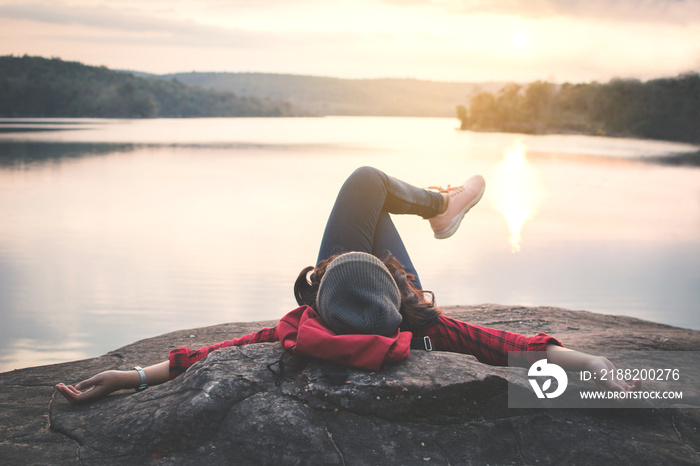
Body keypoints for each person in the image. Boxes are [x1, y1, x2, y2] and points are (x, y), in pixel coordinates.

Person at [55, 166, 640, 404]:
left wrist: (130, 376)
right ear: (400, 287)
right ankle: (442, 207)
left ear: (316, 300)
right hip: (369, 300)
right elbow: (503, 345)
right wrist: (593, 364)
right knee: (368, 186)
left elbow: (210, 355)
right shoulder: (425, 329)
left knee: (368, 187)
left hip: (361, 299)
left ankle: (441, 206)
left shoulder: (301, 332)